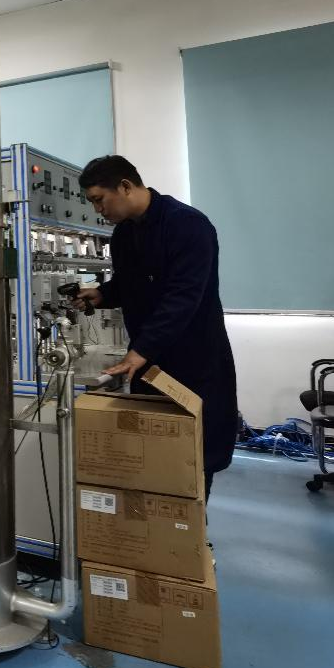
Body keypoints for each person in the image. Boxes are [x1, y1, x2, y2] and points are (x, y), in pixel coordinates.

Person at [73, 155, 238, 501]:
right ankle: (157, 526)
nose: (98, 210)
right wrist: (102, 294)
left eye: (99, 199)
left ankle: (189, 528)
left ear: (125, 186)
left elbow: (183, 297)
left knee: (192, 458)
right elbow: (130, 284)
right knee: (153, 455)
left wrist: (140, 350)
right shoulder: (123, 234)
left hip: (193, 361)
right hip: (150, 363)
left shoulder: (188, 225)